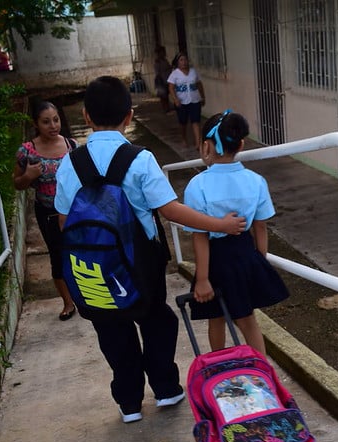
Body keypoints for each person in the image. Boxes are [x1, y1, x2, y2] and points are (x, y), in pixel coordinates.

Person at [53, 76, 247, 424]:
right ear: (129, 115)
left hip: (94, 268)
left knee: (112, 331)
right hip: (141, 263)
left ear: (86, 115)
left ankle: (129, 403)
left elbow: (65, 221)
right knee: (156, 319)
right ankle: (165, 389)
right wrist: (219, 225)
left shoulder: (70, 162)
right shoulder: (140, 159)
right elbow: (170, 210)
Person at [183, 110, 289, 354]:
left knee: (216, 317)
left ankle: (219, 365)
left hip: (215, 258)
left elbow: (200, 235)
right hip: (244, 253)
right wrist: (259, 259)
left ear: (206, 145)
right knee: (248, 319)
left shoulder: (197, 185)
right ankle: (262, 370)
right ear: (241, 144)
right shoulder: (256, 181)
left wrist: (202, 279)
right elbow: (260, 226)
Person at [13, 101, 78, 321]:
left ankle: (87, 293)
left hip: (74, 211)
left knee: (80, 251)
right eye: (46, 122)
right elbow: (17, 184)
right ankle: (68, 303)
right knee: (57, 256)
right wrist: (28, 176)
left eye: (56, 120)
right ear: (36, 124)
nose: (53, 126)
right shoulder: (27, 151)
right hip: (48, 213)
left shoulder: (71, 145)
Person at [167, 53, 205, 148]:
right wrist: (175, 99)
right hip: (181, 102)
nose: (184, 62)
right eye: (181, 60)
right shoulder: (175, 74)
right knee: (183, 122)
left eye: (185, 60)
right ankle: (183, 138)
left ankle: (198, 143)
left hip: (195, 100)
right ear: (177, 62)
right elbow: (171, 88)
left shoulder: (193, 72)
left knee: (195, 121)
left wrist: (202, 97)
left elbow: (199, 84)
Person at [153, 46, 173, 113]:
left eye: (164, 52)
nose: (164, 53)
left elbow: (168, 68)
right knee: (163, 96)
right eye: (162, 52)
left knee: (166, 95)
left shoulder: (164, 60)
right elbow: (158, 73)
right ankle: (165, 108)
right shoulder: (157, 62)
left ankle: (167, 107)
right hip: (162, 81)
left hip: (167, 79)